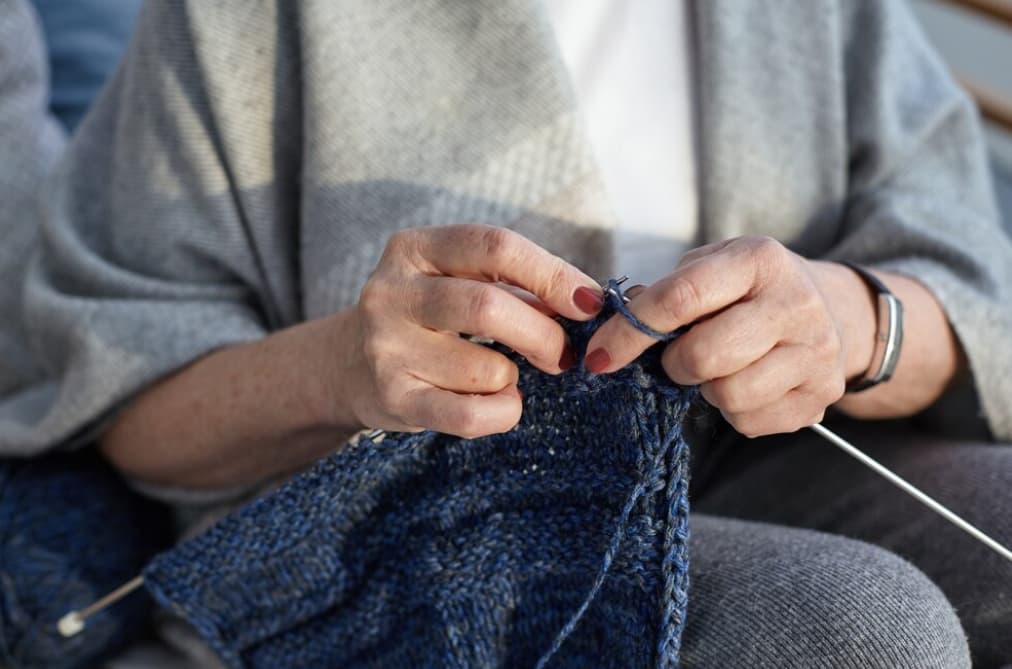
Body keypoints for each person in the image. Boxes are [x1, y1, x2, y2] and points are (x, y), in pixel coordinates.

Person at [3, 0, 1011, 666]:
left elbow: (964, 269)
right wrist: (337, 371)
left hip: (769, 452)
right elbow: (123, 398)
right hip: (415, 518)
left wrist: (857, 323)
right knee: (849, 629)